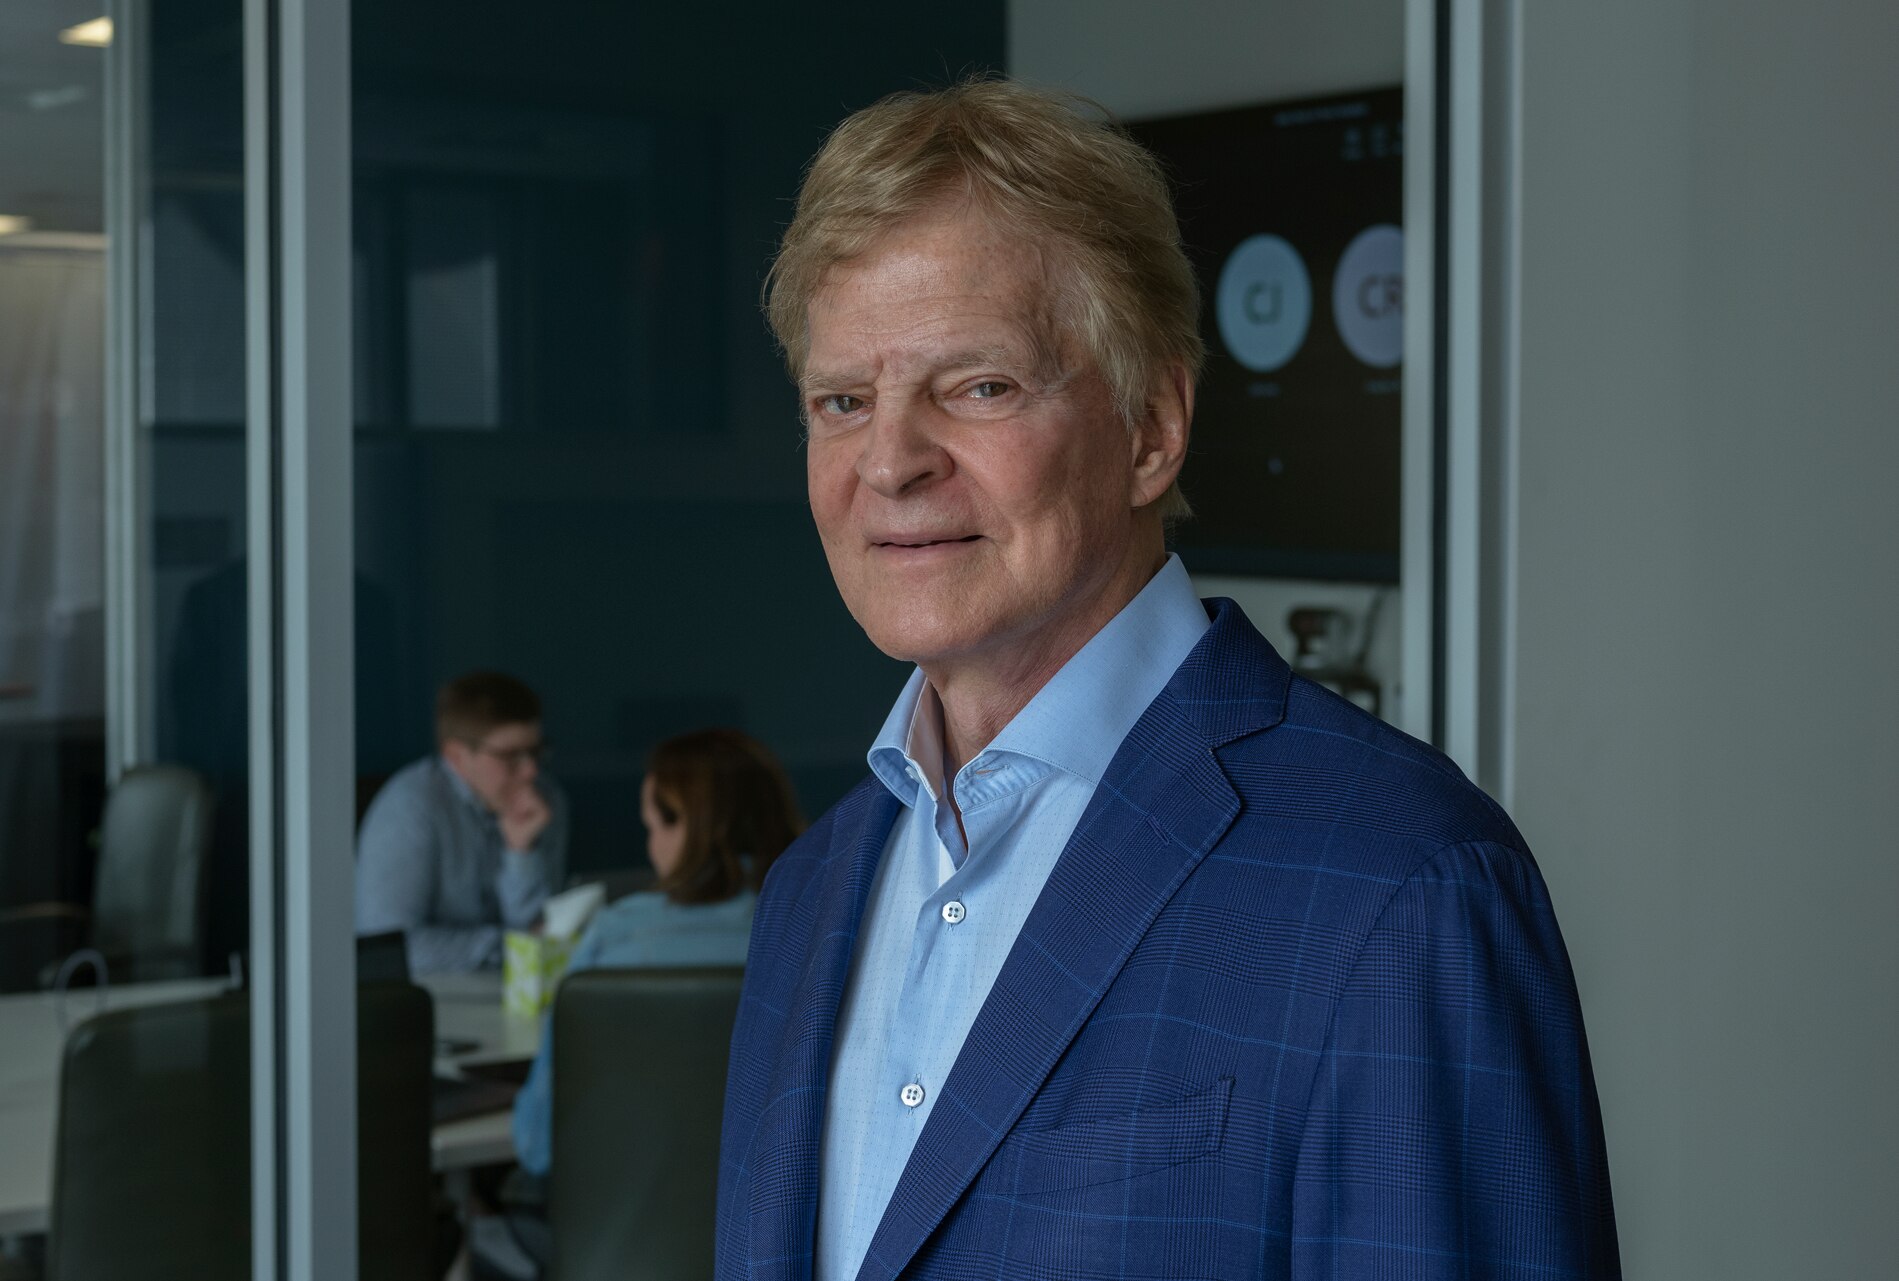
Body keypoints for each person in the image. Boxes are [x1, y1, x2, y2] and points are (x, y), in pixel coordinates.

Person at [716, 78, 1620, 1281]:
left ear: (1153, 427)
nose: (889, 461)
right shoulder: (807, 895)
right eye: (842, 401)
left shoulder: (1400, 887)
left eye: (976, 386)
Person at [510, 728, 803, 1176]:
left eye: (652, 827)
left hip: (615, 1224)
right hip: (773, 1224)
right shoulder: (821, 928)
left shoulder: (615, 936)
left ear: (684, 824)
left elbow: (537, 1144)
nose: (651, 847)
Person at [355, 671, 568, 974]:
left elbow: (544, 931)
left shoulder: (545, 800)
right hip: (431, 998)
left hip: (515, 994)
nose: (530, 771)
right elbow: (390, 947)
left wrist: (521, 854)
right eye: (510, 756)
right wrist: (510, 949)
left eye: (535, 751)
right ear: (456, 756)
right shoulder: (409, 810)